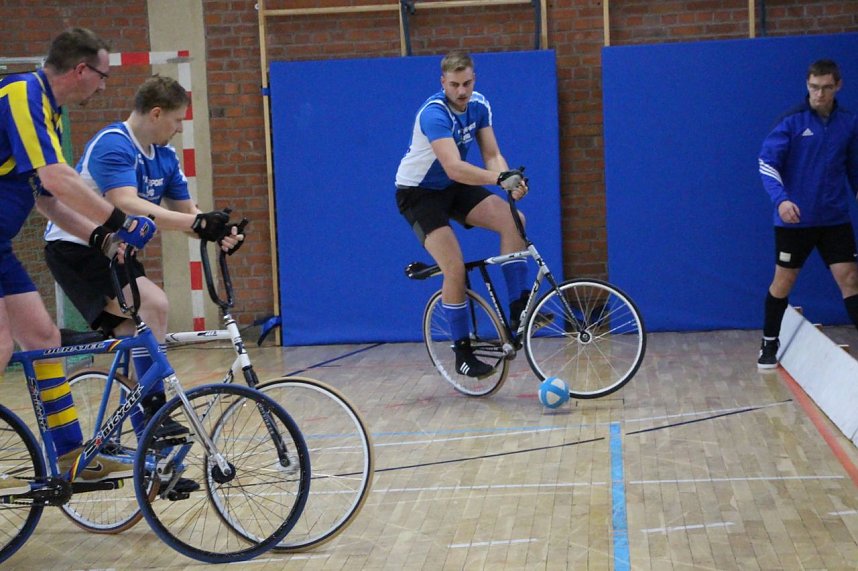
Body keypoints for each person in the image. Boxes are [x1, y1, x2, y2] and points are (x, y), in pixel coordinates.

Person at [43, 75, 244, 491]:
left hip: (115, 255)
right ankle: (153, 411)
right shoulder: (113, 143)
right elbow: (125, 203)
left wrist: (215, 230)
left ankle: (150, 462)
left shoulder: (165, 157)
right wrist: (195, 222)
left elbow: (189, 213)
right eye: (175, 120)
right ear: (155, 113)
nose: (177, 128)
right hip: (77, 248)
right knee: (154, 304)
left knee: (139, 337)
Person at [0, 28, 156, 493]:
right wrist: (120, 220)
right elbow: (57, 176)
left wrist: (103, 238)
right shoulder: (22, 93)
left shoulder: (51, 114)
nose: (105, 87)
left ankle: (69, 456)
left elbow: (47, 199)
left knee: (43, 337)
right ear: (81, 70)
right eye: (103, 76)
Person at [395, 50, 530, 379]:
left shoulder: (479, 105)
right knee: (453, 266)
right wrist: (497, 178)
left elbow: (492, 154)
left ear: (474, 79)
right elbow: (454, 167)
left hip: (454, 188)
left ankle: (518, 311)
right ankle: (462, 351)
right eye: (454, 84)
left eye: (467, 83)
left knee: (515, 220)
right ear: (443, 83)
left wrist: (509, 181)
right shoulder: (434, 114)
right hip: (419, 193)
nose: (461, 91)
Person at [757, 59, 858, 369]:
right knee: (783, 283)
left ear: (838, 86)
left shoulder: (848, 123)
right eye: (814, 88)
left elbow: (853, 169)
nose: (820, 94)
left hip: (834, 219)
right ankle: (769, 343)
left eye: (827, 88)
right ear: (807, 86)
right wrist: (781, 201)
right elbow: (766, 163)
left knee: (851, 279)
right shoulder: (791, 122)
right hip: (795, 220)